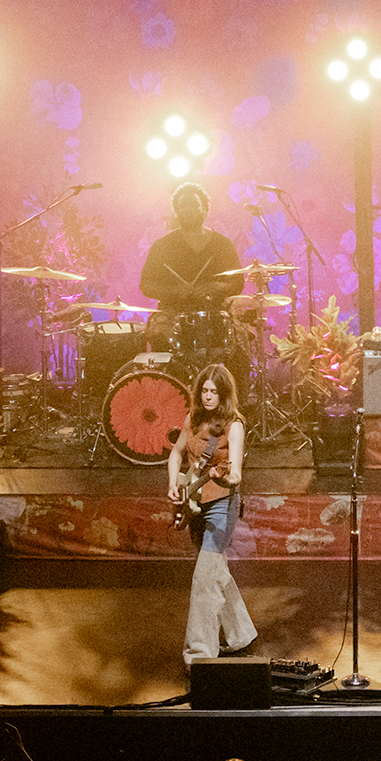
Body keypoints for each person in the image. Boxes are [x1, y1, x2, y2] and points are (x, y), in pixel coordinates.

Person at [168, 362, 255, 661]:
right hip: (194, 504)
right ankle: (241, 634)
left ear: (224, 395)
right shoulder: (192, 419)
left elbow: (236, 474)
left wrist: (225, 476)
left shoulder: (234, 425)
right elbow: (176, 452)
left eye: (213, 392)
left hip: (222, 504)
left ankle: (199, 655)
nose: (207, 396)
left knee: (204, 579)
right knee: (215, 571)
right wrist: (172, 483)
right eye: (203, 391)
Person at [139, 182, 240, 313]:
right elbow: (147, 285)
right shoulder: (162, 245)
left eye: (195, 204)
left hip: (215, 314)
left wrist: (216, 287)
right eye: (183, 205)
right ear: (176, 212)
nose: (189, 209)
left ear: (205, 210)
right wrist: (174, 291)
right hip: (173, 315)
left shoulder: (222, 244)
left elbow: (237, 282)